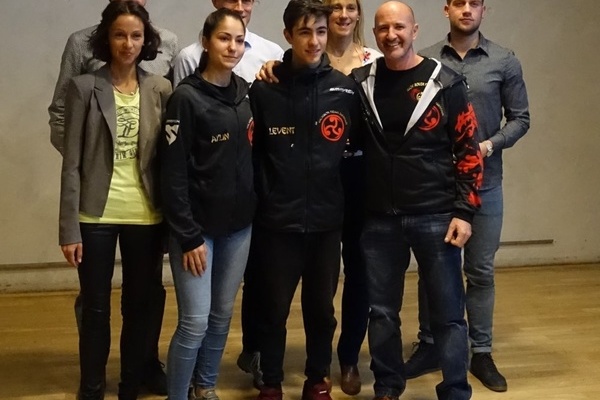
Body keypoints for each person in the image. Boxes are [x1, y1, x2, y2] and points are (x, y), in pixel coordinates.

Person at [350, 2, 483, 399]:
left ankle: (455, 390)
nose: (391, 35)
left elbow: (469, 150)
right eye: (383, 28)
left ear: (415, 30)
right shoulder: (361, 82)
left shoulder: (446, 83)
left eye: (399, 27)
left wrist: (464, 212)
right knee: (382, 314)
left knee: (449, 316)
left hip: (436, 217)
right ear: (374, 33)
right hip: (379, 220)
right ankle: (388, 386)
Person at [49, 1, 176, 395]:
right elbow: (72, 164)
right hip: (95, 215)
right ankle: (91, 386)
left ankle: (131, 385)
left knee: (140, 306)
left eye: (136, 36)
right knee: (95, 308)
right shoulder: (84, 87)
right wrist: (69, 229)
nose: (128, 43)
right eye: (120, 35)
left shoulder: (160, 88)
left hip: (146, 214)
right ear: (107, 38)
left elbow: (169, 160)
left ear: (146, 40)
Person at [404, 0, 530, 393]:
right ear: (446, 10)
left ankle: (482, 351)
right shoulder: (426, 61)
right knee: (433, 270)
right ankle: (429, 344)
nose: (466, 9)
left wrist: (489, 145)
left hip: (486, 184)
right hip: (439, 186)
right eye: (459, 2)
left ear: (483, 11)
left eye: (474, 3)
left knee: (480, 271)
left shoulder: (504, 60)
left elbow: (521, 118)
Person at [249, 1, 362, 399]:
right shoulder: (264, 89)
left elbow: (358, 152)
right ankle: (271, 381)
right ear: (288, 36)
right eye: (304, 32)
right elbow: (252, 155)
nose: (314, 41)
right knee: (273, 309)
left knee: (321, 311)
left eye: (320, 31)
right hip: (277, 222)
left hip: (327, 222)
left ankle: (317, 379)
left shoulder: (345, 90)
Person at [159, 9, 255, 400]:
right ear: (206, 41)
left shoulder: (247, 92)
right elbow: (172, 173)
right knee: (195, 322)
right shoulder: (185, 98)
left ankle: (206, 385)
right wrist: (188, 235)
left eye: (239, 40)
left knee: (220, 316)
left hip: (239, 229)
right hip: (196, 233)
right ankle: (178, 395)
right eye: (224, 38)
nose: (232, 47)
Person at [172, 0, 283, 86]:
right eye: (231, 0)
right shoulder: (189, 58)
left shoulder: (273, 53)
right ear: (215, 1)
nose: (240, 8)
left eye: (246, 1)